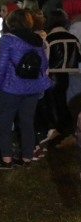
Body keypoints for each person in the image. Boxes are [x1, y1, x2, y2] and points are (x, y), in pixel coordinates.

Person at [0, 9, 52, 169]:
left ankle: (6, 159)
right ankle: (26, 158)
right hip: (32, 88)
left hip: (11, 87)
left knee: (4, 123)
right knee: (27, 123)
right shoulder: (37, 40)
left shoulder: (7, 40)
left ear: (10, 22)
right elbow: (44, 64)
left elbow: (1, 66)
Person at [43, 10, 81, 139]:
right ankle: (66, 128)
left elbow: (45, 59)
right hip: (66, 76)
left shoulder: (49, 39)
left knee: (51, 103)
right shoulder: (73, 38)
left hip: (52, 75)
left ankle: (54, 129)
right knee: (61, 102)